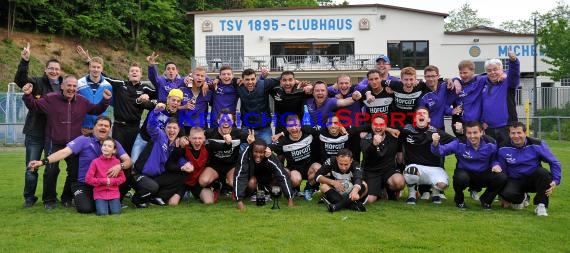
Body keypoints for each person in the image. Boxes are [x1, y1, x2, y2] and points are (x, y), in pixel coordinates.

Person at [22, 76, 111, 210]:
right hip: (54, 141)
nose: (71, 88)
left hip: (74, 143)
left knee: (74, 172)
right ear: (62, 86)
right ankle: (49, 199)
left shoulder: (82, 101)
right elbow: (34, 105)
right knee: (51, 171)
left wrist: (105, 100)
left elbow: (96, 109)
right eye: (69, 85)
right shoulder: (51, 98)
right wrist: (28, 95)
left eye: (74, 86)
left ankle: (67, 197)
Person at [28, 116, 132, 213]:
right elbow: (63, 152)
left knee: (127, 170)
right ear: (94, 127)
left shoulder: (113, 144)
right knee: (85, 209)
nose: (103, 127)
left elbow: (128, 161)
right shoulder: (83, 140)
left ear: (110, 129)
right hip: (84, 183)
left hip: (104, 183)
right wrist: (42, 162)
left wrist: (120, 166)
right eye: (100, 125)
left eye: (106, 126)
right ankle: (103, 201)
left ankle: (115, 200)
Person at [14, 42, 63, 208]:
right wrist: (24, 61)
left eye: (57, 69)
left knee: (52, 168)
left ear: (60, 71)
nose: (54, 71)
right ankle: (29, 198)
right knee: (31, 168)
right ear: (46, 69)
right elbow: (20, 80)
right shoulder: (36, 82)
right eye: (51, 68)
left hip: (53, 134)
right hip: (35, 133)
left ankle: (49, 198)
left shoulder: (64, 86)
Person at [431, 121, 507, 210]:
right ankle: (459, 200)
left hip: (483, 174)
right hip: (465, 173)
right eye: (469, 133)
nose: (472, 136)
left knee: (501, 177)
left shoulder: (491, 143)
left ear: (481, 132)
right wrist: (435, 144)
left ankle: (486, 200)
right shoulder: (459, 142)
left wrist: (496, 165)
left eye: (475, 133)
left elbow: (495, 159)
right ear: (465, 133)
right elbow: (441, 151)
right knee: (460, 178)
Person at [495, 122, 562, 216]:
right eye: (513, 133)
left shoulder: (537, 144)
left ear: (525, 133)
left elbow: (554, 162)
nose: (516, 136)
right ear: (509, 134)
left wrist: (555, 180)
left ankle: (541, 205)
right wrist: (504, 196)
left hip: (533, 179)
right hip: (515, 179)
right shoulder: (503, 147)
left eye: (519, 133)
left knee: (543, 173)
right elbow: (501, 168)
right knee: (507, 194)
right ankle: (523, 197)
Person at [132, 106, 193, 207]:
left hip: (156, 176)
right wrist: (156, 112)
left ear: (178, 131)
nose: (171, 130)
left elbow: (177, 159)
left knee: (183, 175)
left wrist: (186, 164)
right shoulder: (159, 136)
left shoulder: (175, 144)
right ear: (165, 128)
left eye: (174, 128)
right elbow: (151, 126)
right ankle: (137, 200)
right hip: (142, 174)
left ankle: (156, 197)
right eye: (169, 127)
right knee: (152, 187)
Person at [400, 107, 454, 205]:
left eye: (424, 113)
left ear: (429, 119)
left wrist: (440, 148)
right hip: (416, 169)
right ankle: (412, 194)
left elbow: (455, 142)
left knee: (443, 184)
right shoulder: (406, 130)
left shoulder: (436, 132)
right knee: (410, 171)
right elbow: (395, 139)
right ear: (415, 118)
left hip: (434, 169)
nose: (421, 115)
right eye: (419, 114)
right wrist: (398, 152)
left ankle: (436, 192)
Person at [234, 140, 295, 211]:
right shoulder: (245, 155)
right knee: (252, 182)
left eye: (261, 153)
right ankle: (247, 195)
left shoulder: (270, 156)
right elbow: (240, 177)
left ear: (265, 151)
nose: (258, 155)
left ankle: (269, 192)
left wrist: (290, 199)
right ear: (252, 150)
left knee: (286, 172)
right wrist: (239, 201)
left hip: (266, 178)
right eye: (255, 152)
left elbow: (282, 175)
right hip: (251, 177)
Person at [270, 115, 321, 198]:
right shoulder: (283, 141)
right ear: (286, 128)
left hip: (309, 168)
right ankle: (294, 189)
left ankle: (310, 187)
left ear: (300, 125)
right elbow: (268, 147)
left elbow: (324, 130)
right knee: (295, 179)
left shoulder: (309, 134)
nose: (294, 128)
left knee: (319, 168)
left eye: (296, 125)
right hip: (295, 170)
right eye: (290, 126)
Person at [361, 116, 405, 203]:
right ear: (372, 126)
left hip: (388, 170)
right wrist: (374, 144)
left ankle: (390, 190)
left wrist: (400, 170)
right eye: (375, 124)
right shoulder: (366, 138)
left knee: (399, 182)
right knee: (370, 200)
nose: (378, 127)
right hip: (372, 171)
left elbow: (400, 156)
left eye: (381, 124)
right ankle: (380, 191)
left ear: (386, 126)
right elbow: (367, 156)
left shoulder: (393, 136)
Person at [201, 110, 244, 199]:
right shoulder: (210, 133)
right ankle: (217, 186)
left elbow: (255, 141)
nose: (225, 123)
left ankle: (230, 188)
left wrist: (252, 140)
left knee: (235, 183)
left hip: (231, 166)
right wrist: (183, 138)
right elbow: (196, 135)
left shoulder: (238, 133)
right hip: (214, 166)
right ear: (218, 121)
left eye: (229, 120)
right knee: (203, 181)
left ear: (233, 122)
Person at [481, 51, 520, 145]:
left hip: (506, 127)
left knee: (507, 155)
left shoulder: (508, 82)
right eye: (489, 71)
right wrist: (481, 121)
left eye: (495, 69)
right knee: (491, 155)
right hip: (488, 128)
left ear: (501, 70)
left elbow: (514, 73)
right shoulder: (483, 84)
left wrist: (514, 61)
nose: (492, 72)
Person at [237, 68, 280, 149]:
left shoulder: (264, 84)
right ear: (242, 80)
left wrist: (296, 81)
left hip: (264, 129)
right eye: (247, 79)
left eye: (252, 79)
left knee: (267, 151)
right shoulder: (239, 86)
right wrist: (217, 79)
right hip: (247, 128)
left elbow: (282, 78)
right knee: (243, 152)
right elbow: (226, 79)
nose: (250, 82)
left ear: (256, 78)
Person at [85, 137, 126, 216]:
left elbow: (122, 178)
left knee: (116, 213)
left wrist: (111, 181)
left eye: (109, 146)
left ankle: (114, 205)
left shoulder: (117, 162)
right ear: (101, 147)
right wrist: (104, 181)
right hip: (99, 193)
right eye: (104, 145)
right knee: (102, 214)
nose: (106, 147)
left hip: (114, 193)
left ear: (114, 150)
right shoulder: (95, 162)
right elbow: (88, 179)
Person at [77, 57, 113, 136]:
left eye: (98, 67)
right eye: (93, 67)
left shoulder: (108, 85)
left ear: (102, 69)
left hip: (101, 127)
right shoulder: (79, 83)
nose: (96, 69)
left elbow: (111, 103)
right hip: (83, 126)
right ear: (89, 67)